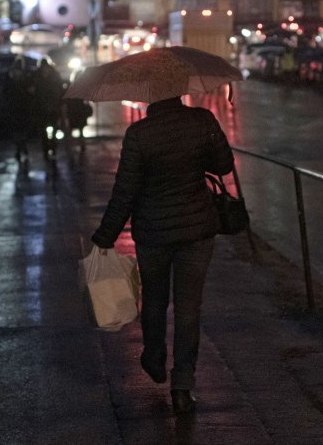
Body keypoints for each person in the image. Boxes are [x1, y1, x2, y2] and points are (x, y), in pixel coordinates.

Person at [91, 96, 234, 415]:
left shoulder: (139, 134)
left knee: (154, 299)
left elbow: (125, 191)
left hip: (153, 232)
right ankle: (182, 385)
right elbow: (223, 165)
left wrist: (106, 235)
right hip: (196, 230)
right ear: (179, 91)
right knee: (188, 308)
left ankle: (154, 357)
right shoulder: (202, 121)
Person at [31, 59, 64, 164]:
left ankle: (53, 149)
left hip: (53, 108)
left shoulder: (54, 77)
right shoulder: (36, 77)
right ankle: (46, 151)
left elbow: (60, 91)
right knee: (43, 132)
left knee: (54, 130)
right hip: (42, 109)